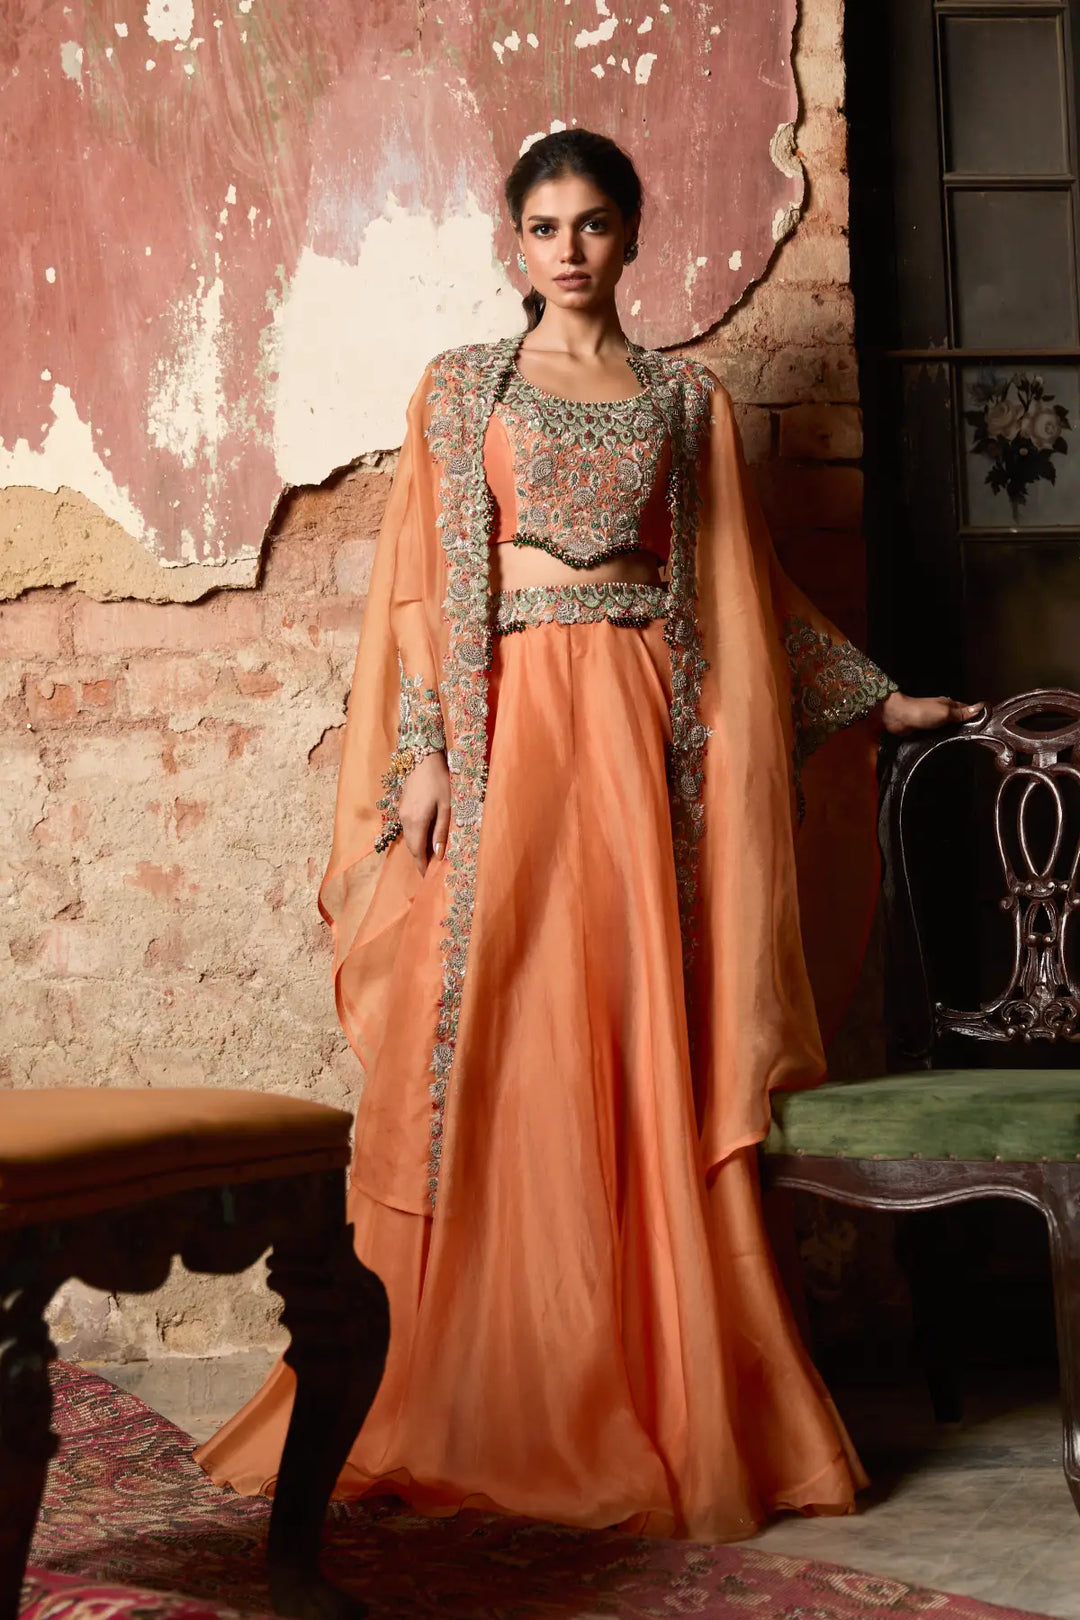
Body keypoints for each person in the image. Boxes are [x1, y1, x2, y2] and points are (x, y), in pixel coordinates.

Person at [196, 129, 978, 1540]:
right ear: (514, 243)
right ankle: (454, 1374)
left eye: (595, 223)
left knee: (631, 1028)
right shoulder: (462, 392)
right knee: (494, 1015)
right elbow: (426, 592)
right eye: (543, 225)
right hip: (505, 743)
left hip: (639, 747)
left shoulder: (688, 402)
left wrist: (871, 699)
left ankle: (653, 1376)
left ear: (631, 237)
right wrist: (427, 754)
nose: (568, 248)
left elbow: (753, 590)